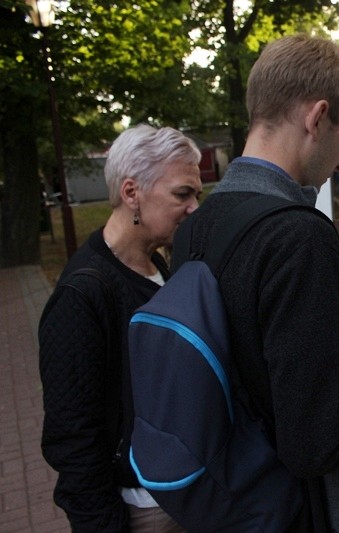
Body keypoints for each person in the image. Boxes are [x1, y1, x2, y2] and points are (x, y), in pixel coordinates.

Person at [180, 34, 339, 532]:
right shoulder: (299, 235)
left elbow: (245, 339)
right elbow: (315, 444)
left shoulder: (199, 221)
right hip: (298, 510)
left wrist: (329, 332)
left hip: (234, 491)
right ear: (317, 118)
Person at [38, 124, 203, 531]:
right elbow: (72, 436)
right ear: (132, 193)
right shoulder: (83, 295)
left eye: (197, 194)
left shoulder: (155, 262)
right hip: (143, 509)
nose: (195, 206)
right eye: (182, 194)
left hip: (183, 492)